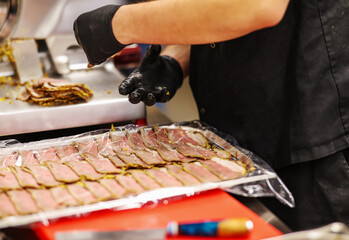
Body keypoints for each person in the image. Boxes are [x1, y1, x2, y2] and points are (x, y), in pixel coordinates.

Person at [73, 0, 349, 231]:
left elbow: (256, 6)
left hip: (310, 147)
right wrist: (174, 61)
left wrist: (117, 25)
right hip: (232, 147)